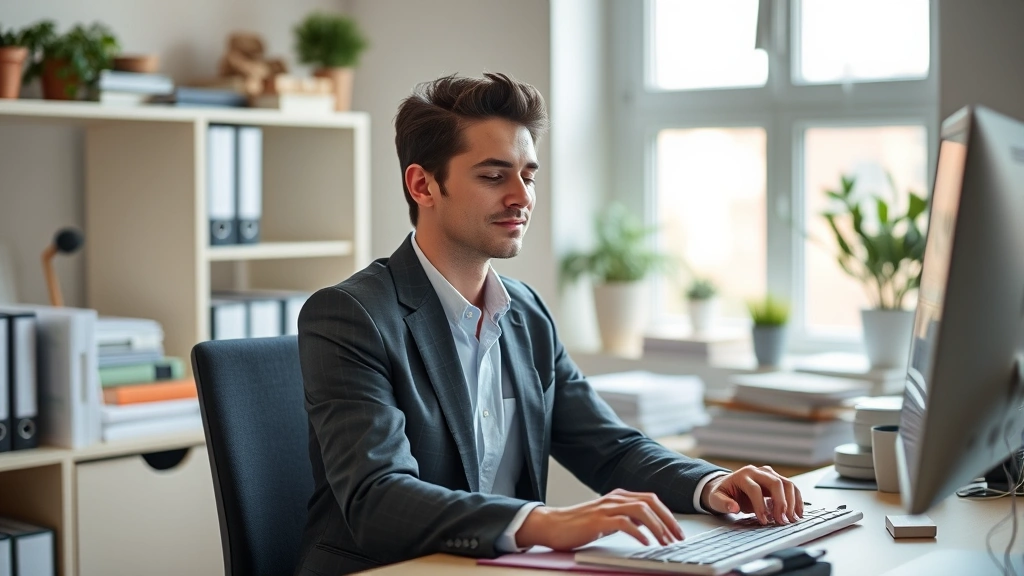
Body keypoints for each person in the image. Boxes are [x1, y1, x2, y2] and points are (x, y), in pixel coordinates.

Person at [295, 72, 803, 575]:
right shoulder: (351, 316)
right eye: (494, 176)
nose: (522, 196)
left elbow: (608, 447)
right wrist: (542, 522)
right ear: (423, 184)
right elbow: (377, 499)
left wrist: (711, 485)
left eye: (529, 175)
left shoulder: (526, 313)